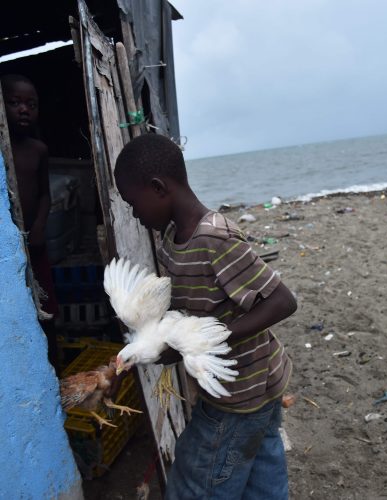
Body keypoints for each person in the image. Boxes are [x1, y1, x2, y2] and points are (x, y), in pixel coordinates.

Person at [114, 134, 297, 500]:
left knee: (196, 483)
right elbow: (191, 309)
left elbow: (282, 301)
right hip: (257, 386)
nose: (134, 215)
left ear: (158, 188)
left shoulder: (215, 240)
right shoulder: (172, 238)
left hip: (236, 396)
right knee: (263, 474)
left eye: (134, 204)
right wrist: (172, 344)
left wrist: (214, 337)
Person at [1, 74, 59, 372]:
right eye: (15, 103)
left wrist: (38, 227)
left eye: (31, 104)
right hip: (8, 247)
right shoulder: (3, 151)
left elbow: (45, 195)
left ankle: (53, 364)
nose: (24, 109)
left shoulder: (38, 150)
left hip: (34, 243)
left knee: (46, 306)